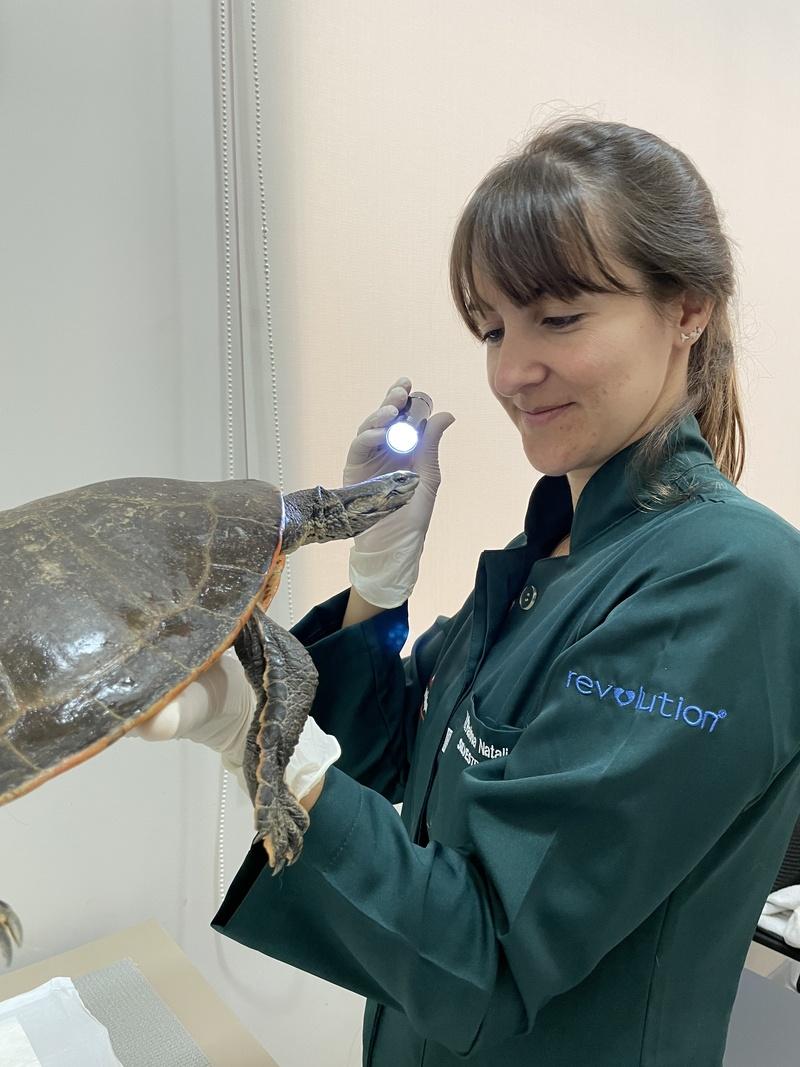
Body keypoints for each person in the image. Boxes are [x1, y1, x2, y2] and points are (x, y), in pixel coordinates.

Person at [134, 117, 800, 1065]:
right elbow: (390, 766)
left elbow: (483, 955)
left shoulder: (729, 581)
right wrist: (375, 585)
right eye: (492, 328)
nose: (509, 371)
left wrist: (257, 724)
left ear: (687, 306)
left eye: (558, 318)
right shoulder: (544, 559)